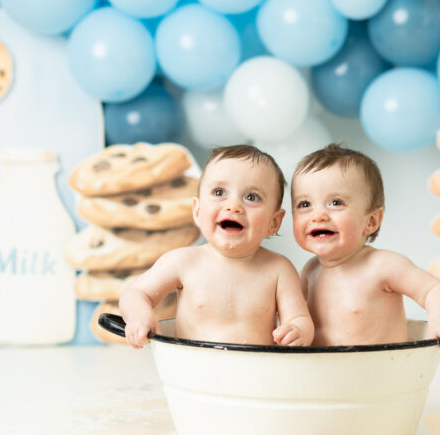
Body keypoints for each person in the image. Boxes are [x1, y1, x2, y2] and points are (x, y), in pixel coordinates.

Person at [120, 144, 314, 348]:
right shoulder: (182, 262)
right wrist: (139, 316)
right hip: (192, 371)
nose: (233, 206)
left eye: (252, 197)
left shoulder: (279, 269)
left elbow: (300, 318)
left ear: (274, 222)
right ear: (198, 210)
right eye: (219, 192)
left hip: (255, 374)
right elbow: (135, 293)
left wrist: (297, 331)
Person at [291, 143, 440, 354]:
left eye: (336, 202)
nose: (317, 215)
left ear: (371, 221)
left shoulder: (383, 266)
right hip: (325, 379)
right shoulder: (310, 272)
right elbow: (290, 315)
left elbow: (433, 290)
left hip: (381, 377)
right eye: (304, 204)